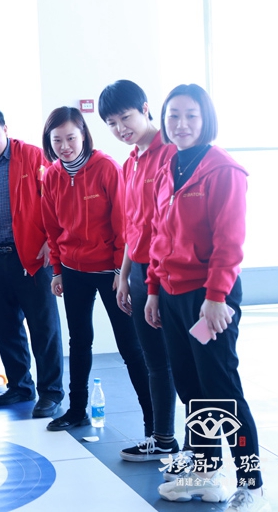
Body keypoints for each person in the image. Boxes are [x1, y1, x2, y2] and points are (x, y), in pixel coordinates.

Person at [145, 84, 268, 511]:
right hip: (172, 294)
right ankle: (205, 470)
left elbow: (229, 243)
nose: (181, 124)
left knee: (223, 391)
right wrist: (153, 289)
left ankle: (251, 484)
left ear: (206, 119)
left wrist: (216, 298)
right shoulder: (169, 165)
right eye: (173, 115)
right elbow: (158, 235)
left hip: (209, 297)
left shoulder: (223, 170)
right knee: (191, 388)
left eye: (191, 115)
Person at [39, 106, 153, 434]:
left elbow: (123, 225)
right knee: (79, 342)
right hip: (73, 270)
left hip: (110, 272)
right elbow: (52, 229)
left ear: (84, 135)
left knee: (130, 346)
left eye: (71, 138)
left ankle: (153, 422)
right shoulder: (52, 175)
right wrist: (57, 270)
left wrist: (120, 272)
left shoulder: (106, 167)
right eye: (57, 140)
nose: (65, 146)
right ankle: (77, 410)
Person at [0, 106, 64, 416]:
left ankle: (51, 392)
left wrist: (50, 241)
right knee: (5, 328)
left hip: (32, 256)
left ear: (5, 129)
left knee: (43, 327)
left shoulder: (32, 157)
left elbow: (56, 199)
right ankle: (20, 386)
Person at [98, 80, 180, 461]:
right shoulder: (130, 162)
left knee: (184, 364)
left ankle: (200, 449)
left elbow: (166, 226)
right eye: (112, 123)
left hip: (167, 272)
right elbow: (133, 226)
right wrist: (123, 275)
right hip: (138, 270)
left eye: (125, 118)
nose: (120, 129)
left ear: (145, 108)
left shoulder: (171, 153)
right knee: (154, 361)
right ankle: (162, 438)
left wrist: (153, 285)